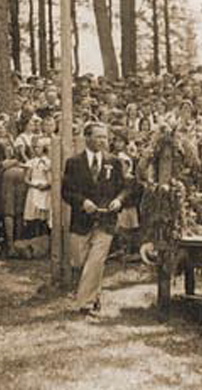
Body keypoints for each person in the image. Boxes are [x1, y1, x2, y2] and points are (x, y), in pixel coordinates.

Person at [62, 122, 129, 315]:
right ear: (87, 138)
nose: (103, 141)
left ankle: (84, 304)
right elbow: (66, 191)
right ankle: (95, 294)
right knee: (79, 261)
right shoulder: (73, 163)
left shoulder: (114, 162)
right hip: (81, 221)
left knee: (96, 261)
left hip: (106, 221)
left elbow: (125, 187)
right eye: (99, 137)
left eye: (105, 137)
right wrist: (83, 203)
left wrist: (118, 200)